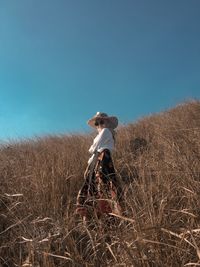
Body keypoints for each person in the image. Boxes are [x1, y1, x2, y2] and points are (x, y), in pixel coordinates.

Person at [76, 112, 124, 218]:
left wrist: (93, 149)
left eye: (101, 121)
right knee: (99, 184)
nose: (99, 125)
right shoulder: (102, 133)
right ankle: (102, 213)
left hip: (103, 158)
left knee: (102, 183)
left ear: (107, 122)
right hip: (97, 159)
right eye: (97, 123)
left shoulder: (106, 131)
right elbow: (94, 150)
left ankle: (106, 212)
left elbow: (92, 148)